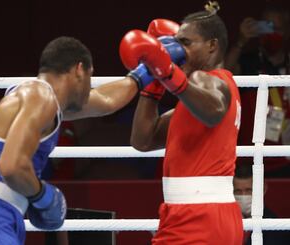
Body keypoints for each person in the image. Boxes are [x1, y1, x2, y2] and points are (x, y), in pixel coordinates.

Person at [0, 36, 147, 245]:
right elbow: (12, 166)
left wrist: (143, 75)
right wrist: (43, 196)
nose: (89, 88)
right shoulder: (40, 95)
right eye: (90, 77)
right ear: (79, 70)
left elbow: (106, 100)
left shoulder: (40, 100)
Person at [122, 2, 243, 245]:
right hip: (196, 214)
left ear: (212, 46)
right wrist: (154, 84)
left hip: (198, 217)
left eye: (186, 43)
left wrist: (168, 72)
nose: (177, 49)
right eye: (176, 42)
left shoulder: (210, 80)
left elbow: (214, 111)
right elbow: (142, 141)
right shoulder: (192, 101)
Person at [225, 4, 290, 176]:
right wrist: (240, 41)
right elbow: (224, 75)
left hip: (285, 159)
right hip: (252, 161)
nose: (271, 34)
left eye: (276, 28)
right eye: (266, 27)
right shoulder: (248, 62)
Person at [234, 163, 290, 244]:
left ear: (263, 188)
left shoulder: (277, 228)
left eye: (249, 190)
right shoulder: (224, 223)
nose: (244, 195)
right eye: (238, 191)